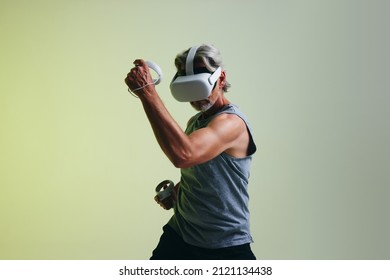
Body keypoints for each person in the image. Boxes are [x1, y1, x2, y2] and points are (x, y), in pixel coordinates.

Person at [124, 44, 257, 260]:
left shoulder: (232, 123)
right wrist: (180, 193)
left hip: (223, 244)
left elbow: (184, 155)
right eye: (189, 91)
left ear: (221, 79)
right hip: (180, 234)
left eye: (200, 88)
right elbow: (202, 166)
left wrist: (147, 93)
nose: (196, 100)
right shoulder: (196, 122)